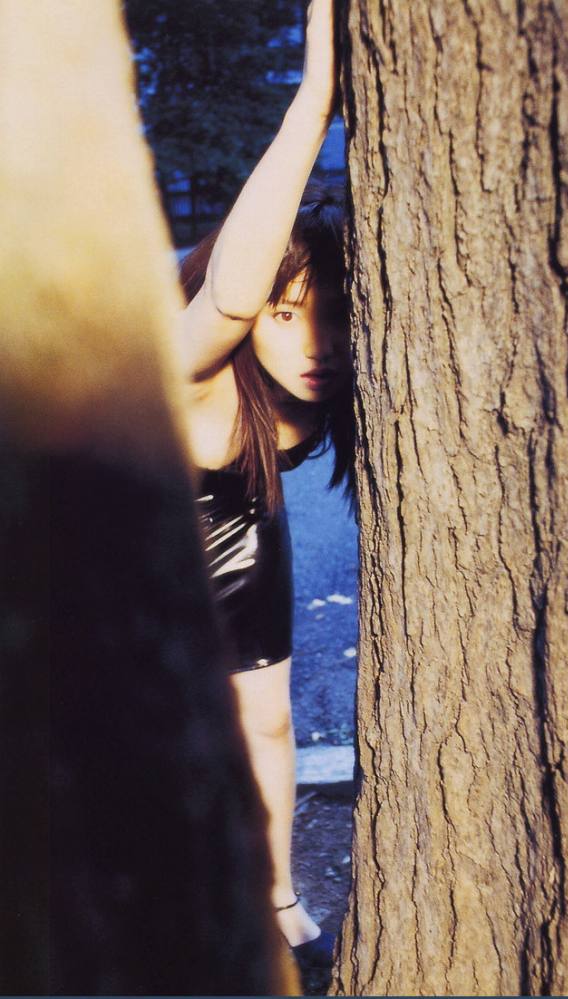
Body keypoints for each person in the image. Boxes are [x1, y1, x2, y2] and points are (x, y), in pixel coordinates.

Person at [174, 0, 352, 971]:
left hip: (243, 525)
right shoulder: (201, 374)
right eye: (288, 315)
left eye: (333, 314)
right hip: (128, 543)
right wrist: (313, 101)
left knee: (267, 718)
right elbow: (233, 293)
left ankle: (277, 894)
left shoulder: (343, 378)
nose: (315, 343)